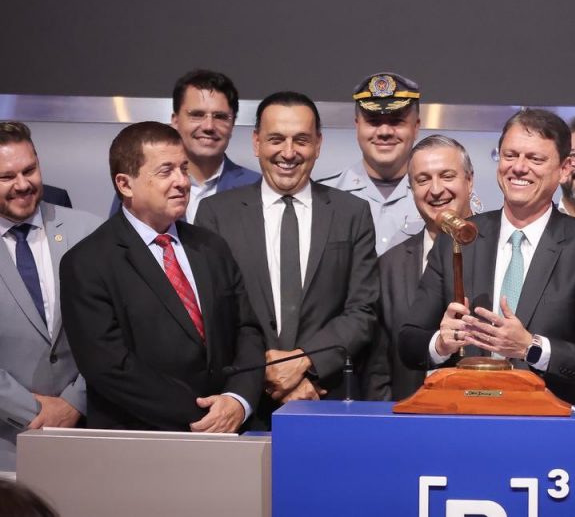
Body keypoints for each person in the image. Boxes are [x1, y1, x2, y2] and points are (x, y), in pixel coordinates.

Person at [398, 108, 575, 405]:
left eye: (535, 159)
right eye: (510, 155)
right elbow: (409, 342)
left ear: (564, 169)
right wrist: (441, 343)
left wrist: (531, 347)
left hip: (551, 422)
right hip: (466, 414)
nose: (519, 168)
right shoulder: (459, 238)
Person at [60, 122, 263, 431]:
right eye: (166, 171)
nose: (182, 181)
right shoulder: (87, 262)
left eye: (184, 168)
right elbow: (108, 366)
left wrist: (237, 400)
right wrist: (202, 415)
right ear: (125, 184)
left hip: (228, 431)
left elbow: (247, 330)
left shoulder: (212, 247)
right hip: (141, 439)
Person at [195, 93, 380, 427]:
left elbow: (363, 311)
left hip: (323, 397)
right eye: (276, 139)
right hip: (243, 405)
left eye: (302, 140)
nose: (289, 152)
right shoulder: (216, 214)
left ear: (318, 144)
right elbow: (214, 315)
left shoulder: (352, 213)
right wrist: (266, 374)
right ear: (256, 142)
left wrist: (305, 362)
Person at [0, 122, 101, 470]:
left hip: (87, 437)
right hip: (6, 447)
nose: (22, 184)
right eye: (6, 177)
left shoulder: (89, 231)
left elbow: (120, 330)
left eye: (29, 170)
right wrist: (33, 410)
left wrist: (75, 402)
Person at [374, 135, 476, 401]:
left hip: (485, 409)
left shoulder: (500, 248)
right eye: (423, 180)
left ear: (469, 181)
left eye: (447, 176)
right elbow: (378, 366)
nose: (436, 189)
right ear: (412, 189)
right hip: (409, 414)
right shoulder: (389, 265)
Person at [107, 69, 261, 221]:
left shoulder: (257, 187)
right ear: (175, 121)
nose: (208, 126)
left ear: (232, 124)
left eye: (220, 117)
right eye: (197, 115)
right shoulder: (139, 187)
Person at [319, 73, 423, 255]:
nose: (384, 132)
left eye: (396, 121)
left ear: (415, 127)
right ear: (357, 126)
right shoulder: (324, 196)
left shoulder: (441, 197)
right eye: (373, 122)